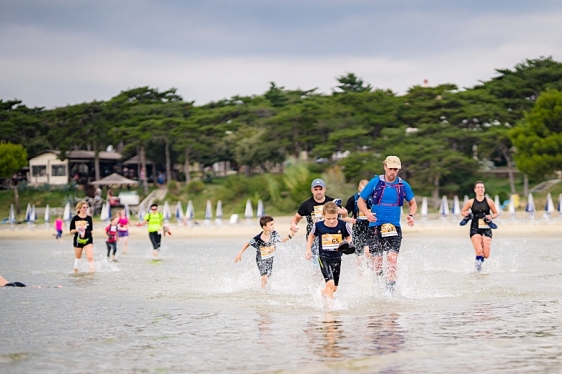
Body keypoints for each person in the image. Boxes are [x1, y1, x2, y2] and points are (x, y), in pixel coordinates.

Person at [357, 156, 417, 293]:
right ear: (385, 167)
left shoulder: (403, 185)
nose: (392, 172)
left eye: (395, 169)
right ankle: (377, 289)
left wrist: (411, 216)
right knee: (377, 262)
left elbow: (413, 203)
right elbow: (360, 201)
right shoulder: (375, 182)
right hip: (375, 227)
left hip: (394, 227)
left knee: (392, 258)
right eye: (390, 169)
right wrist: (367, 213)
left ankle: (390, 291)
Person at [290, 178, 347, 263]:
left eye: (320, 189)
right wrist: (293, 225)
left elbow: (345, 214)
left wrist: (340, 211)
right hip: (314, 236)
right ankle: (319, 275)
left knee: (333, 262)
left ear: (324, 189)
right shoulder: (306, 205)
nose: (318, 192)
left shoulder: (332, 202)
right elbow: (296, 219)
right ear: (312, 190)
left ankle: (329, 275)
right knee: (318, 263)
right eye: (316, 189)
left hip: (331, 236)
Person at [305, 202, 352, 300]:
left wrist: (348, 244)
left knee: (334, 288)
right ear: (323, 216)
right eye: (328, 218)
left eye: (334, 218)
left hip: (337, 258)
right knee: (330, 283)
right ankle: (330, 310)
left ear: (337, 215)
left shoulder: (343, 225)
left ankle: (322, 293)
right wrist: (308, 249)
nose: (331, 221)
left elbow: (349, 236)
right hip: (324, 257)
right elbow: (311, 235)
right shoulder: (318, 226)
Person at [234, 215, 297, 288]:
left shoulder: (274, 234)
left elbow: (282, 240)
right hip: (260, 259)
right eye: (271, 225)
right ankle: (264, 292)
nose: (273, 226)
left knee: (268, 276)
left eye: (273, 224)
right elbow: (248, 243)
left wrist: (291, 235)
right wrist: (240, 253)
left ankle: (263, 287)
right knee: (264, 277)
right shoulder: (258, 238)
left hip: (270, 258)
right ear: (264, 227)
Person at [460, 181, 499, 272]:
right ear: (475, 190)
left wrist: (491, 216)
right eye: (478, 187)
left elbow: (496, 213)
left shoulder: (489, 201)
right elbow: (463, 211)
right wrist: (465, 213)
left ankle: (480, 263)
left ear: (484, 189)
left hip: (486, 226)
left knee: (486, 254)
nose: (480, 189)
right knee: (479, 251)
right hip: (475, 227)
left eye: (482, 187)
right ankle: (478, 271)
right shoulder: (470, 202)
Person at [343, 180, 371, 267]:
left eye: (366, 191)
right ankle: (361, 277)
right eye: (363, 190)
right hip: (357, 229)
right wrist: (351, 220)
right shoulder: (353, 199)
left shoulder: (373, 199)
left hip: (370, 228)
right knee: (359, 256)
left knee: (368, 252)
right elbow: (343, 217)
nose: (364, 193)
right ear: (359, 189)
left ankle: (371, 270)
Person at [69, 201, 95, 274]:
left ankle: (92, 273)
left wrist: (90, 237)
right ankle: (75, 273)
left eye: (86, 207)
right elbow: (71, 231)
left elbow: (91, 230)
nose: (85, 209)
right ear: (79, 208)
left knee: (90, 257)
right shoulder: (75, 218)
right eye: (84, 207)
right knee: (78, 258)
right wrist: (77, 230)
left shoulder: (89, 218)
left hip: (88, 240)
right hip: (78, 240)